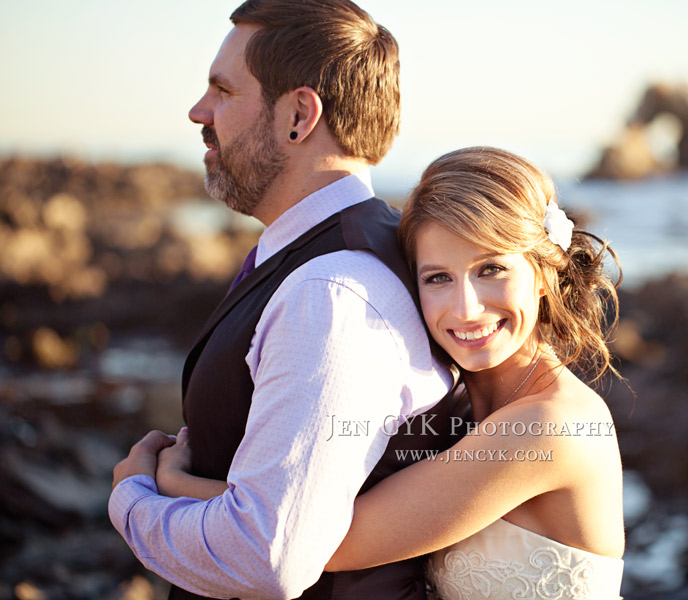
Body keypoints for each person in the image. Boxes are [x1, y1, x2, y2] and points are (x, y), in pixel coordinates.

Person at [157, 147, 626, 599]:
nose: (466, 308)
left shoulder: (550, 427)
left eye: (491, 269)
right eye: (438, 278)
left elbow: (313, 543)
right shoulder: (458, 408)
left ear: (543, 274)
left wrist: (170, 486)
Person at [108, 1, 457, 599]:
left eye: (222, 90)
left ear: (299, 115)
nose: (198, 111)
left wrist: (133, 499)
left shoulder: (334, 295)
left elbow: (266, 555)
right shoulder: (328, 256)